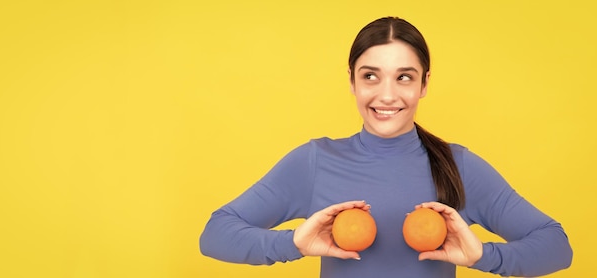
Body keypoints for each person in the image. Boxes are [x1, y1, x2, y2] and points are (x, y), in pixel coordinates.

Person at [199, 16, 573, 277]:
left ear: (424, 84)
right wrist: (294, 243)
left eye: (404, 77)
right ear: (352, 81)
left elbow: (556, 247)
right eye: (371, 76)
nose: (387, 95)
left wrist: (483, 256)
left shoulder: (458, 165)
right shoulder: (315, 161)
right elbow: (215, 236)